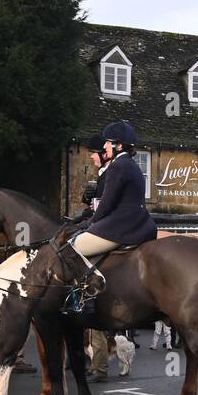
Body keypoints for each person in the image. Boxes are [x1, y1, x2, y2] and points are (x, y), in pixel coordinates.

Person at [72, 121, 158, 292]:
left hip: (121, 227)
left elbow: (106, 204)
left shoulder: (118, 166)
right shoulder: (132, 165)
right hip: (140, 224)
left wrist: (89, 224)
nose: (104, 146)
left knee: (72, 248)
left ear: (118, 145)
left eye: (107, 142)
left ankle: (87, 296)